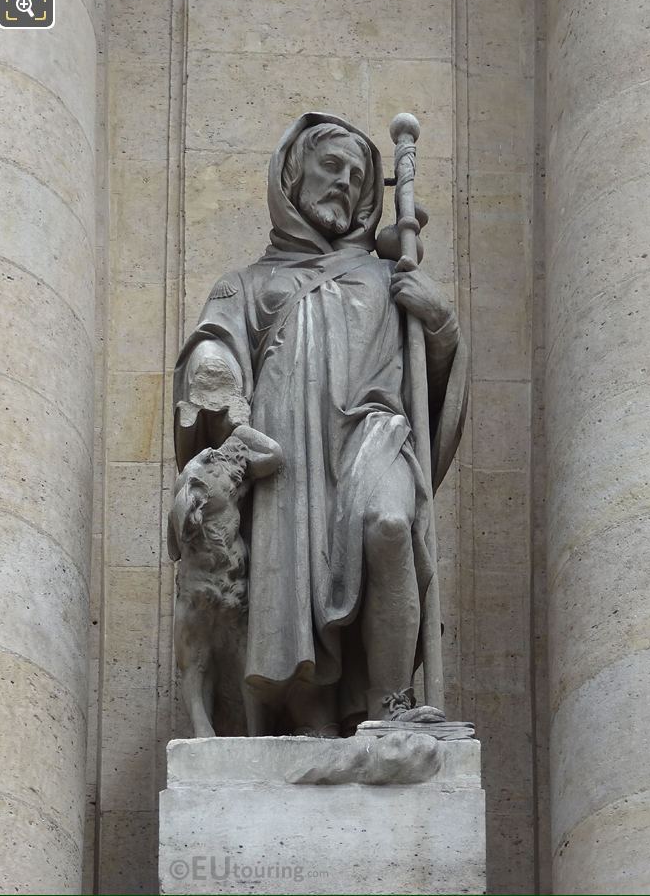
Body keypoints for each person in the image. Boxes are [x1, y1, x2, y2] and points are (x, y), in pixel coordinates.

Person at [173, 112, 468, 736]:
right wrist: (213, 363)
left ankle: (390, 701)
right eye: (330, 166)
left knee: (390, 525)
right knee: (292, 586)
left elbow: (434, 384)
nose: (344, 181)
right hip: (290, 451)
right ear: (292, 174)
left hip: (373, 432)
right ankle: (308, 717)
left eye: (358, 174)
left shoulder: (392, 276)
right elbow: (214, 341)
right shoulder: (249, 283)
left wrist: (439, 322)